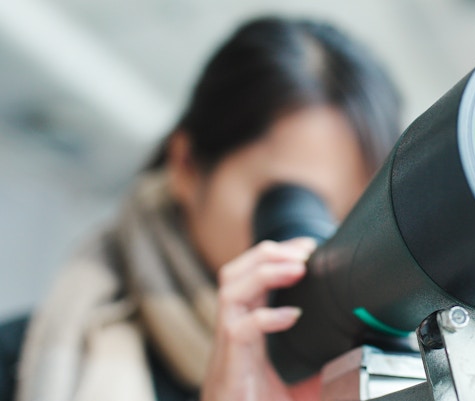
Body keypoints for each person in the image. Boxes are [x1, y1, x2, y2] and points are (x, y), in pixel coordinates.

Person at [0, 16, 401, 401]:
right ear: (187, 166)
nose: (320, 241)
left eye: (350, 215)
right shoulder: (22, 363)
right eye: (291, 201)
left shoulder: (368, 378)